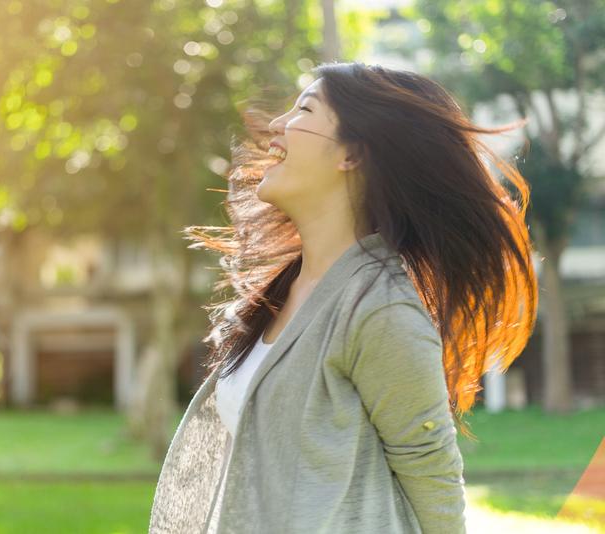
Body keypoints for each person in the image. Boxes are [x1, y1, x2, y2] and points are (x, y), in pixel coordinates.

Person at [148, 61, 538, 534]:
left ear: (350, 154)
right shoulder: (284, 291)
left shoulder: (378, 307)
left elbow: (431, 471)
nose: (276, 126)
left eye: (304, 109)